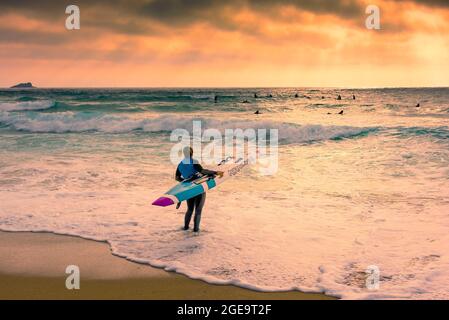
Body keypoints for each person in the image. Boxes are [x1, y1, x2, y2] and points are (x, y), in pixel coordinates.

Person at [175, 147, 223, 233]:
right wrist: (215, 172)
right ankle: (196, 231)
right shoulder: (193, 162)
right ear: (192, 153)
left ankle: (185, 228)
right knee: (198, 210)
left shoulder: (180, 164)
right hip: (198, 187)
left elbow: (177, 177)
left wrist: (186, 181)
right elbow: (202, 171)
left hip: (188, 188)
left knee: (189, 209)